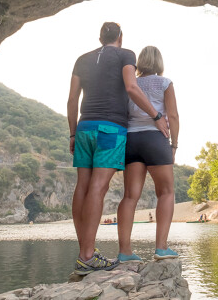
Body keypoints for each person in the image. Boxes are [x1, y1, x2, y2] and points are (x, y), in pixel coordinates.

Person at [67, 23, 169, 275]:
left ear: (100, 37)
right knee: (98, 187)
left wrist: (72, 132)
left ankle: (85, 254)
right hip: (110, 128)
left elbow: (72, 99)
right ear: (120, 38)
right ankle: (87, 256)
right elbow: (132, 87)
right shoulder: (126, 55)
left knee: (83, 185)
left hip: (84, 126)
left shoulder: (82, 59)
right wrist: (156, 115)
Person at [116, 46, 180, 261]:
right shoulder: (165, 83)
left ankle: (125, 252)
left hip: (132, 140)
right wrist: (174, 145)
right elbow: (173, 115)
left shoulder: (129, 84)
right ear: (159, 62)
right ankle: (161, 248)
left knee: (129, 196)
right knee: (166, 193)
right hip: (155, 138)